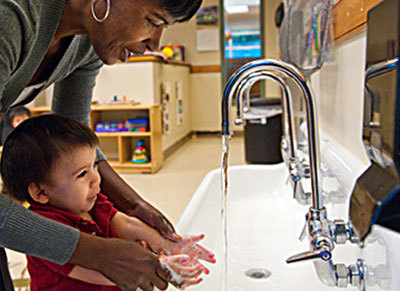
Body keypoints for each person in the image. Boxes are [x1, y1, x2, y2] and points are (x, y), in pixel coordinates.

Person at [0, 0, 203, 289]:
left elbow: (72, 137)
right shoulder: (11, 18)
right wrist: (94, 253)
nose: (154, 44)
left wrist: (133, 204)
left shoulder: (88, 40)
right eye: (153, 21)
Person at [0, 114, 215, 290]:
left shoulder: (91, 202)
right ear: (40, 192)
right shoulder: (44, 230)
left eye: (95, 165)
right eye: (82, 174)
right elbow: (101, 273)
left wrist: (169, 244)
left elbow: (126, 223)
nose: (96, 178)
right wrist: (158, 266)